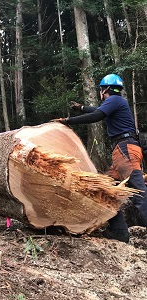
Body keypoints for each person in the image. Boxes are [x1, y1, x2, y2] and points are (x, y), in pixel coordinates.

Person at [52, 73, 147, 243]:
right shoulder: (116, 102)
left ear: (105, 90)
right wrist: (81, 108)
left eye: (101, 90)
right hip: (122, 151)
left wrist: (68, 121)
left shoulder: (115, 100)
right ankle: (119, 231)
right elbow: (97, 111)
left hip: (125, 150)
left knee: (139, 192)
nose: (101, 93)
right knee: (105, 189)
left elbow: (97, 116)